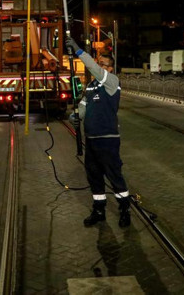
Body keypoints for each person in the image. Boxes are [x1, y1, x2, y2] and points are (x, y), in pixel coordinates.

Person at [65, 35, 131, 228]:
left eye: (104, 65)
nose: (100, 66)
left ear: (111, 69)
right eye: (99, 63)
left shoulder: (112, 82)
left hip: (108, 140)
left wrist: (78, 51)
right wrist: (74, 117)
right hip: (92, 140)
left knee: (114, 175)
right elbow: (83, 108)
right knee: (94, 176)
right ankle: (99, 209)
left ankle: (124, 209)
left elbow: (93, 69)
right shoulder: (91, 86)